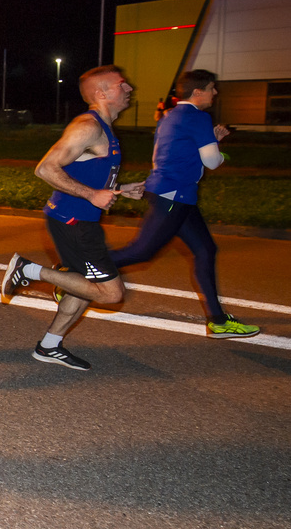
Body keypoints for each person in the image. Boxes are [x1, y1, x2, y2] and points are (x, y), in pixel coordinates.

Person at [0, 65, 145, 371]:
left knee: (84, 285)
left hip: (80, 220)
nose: (129, 89)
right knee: (110, 293)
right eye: (122, 85)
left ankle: (49, 346)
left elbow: (85, 171)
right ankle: (30, 271)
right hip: (72, 221)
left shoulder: (104, 128)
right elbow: (45, 168)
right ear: (101, 93)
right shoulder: (87, 126)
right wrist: (92, 196)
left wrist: (117, 189)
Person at [110, 70, 260, 339]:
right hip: (172, 196)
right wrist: (219, 149)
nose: (215, 93)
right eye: (212, 88)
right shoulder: (198, 117)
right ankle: (74, 270)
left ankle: (218, 321)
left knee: (205, 249)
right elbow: (212, 161)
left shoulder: (171, 115)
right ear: (198, 92)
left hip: (178, 195)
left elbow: (186, 150)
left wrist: (211, 139)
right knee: (141, 252)